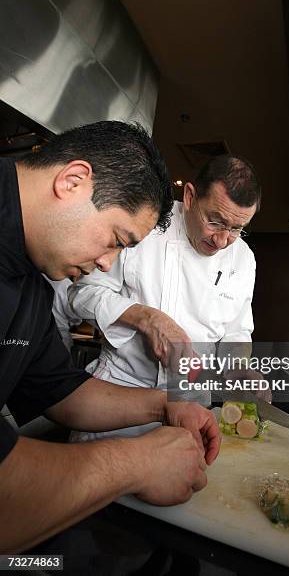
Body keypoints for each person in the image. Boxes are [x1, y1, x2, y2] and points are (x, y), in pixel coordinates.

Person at [0, 120, 220, 554]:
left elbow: (62, 392)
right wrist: (138, 463)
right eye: (116, 240)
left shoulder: (32, 279)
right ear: (73, 181)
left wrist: (164, 405)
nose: (107, 265)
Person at [68, 155, 262, 440]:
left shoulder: (244, 258)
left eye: (235, 229)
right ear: (190, 196)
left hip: (191, 406)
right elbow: (81, 294)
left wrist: (237, 368)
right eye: (215, 221)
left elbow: (237, 330)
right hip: (119, 398)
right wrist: (145, 318)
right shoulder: (144, 221)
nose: (222, 241)